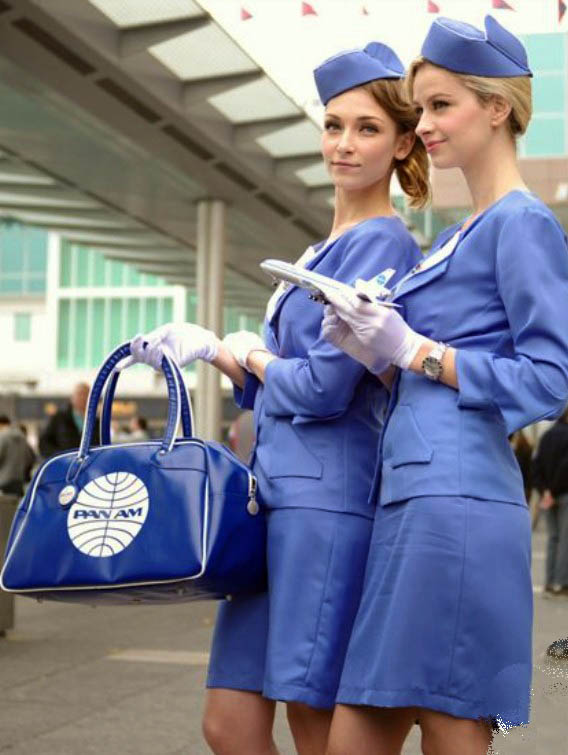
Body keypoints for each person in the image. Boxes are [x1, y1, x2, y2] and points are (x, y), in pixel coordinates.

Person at [122, 42, 429, 755]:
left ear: (402, 142)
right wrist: (215, 349)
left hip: (327, 507)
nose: (343, 144)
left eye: (366, 128)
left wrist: (246, 351)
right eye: (333, 125)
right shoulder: (322, 250)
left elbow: (324, 388)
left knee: (313, 721)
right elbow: (297, 377)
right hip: (272, 499)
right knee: (228, 723)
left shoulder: (385, 244)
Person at [320, 16, 568, 754]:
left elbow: (552, 375)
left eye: (439, 105)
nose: (421, 125)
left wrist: (418, 351)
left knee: (426, 729)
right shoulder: (466, 230)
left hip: (454, 504)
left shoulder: (522, 223)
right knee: (409, 728)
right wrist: (373, 346)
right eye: (420, 107)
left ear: (497, 108)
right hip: (420, 498)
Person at [532, 407, 568, 596]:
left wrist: (544, 491)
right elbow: (565, 467)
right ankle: (561, 584)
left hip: (547, 495)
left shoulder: (546, 437)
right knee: (565, 539)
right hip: (563, 494)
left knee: (553, 538)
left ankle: (549, 580)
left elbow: (536, 466)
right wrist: (554, 492)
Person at [39, 382, 99, 459]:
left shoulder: (96, 422)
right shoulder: (59, 418)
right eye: (80, 394)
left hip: (88, 465)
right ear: (72, 398)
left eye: (86, 395)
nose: (83, 398)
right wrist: (58, 457)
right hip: (64, 465)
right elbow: (44, 443)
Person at [0, 415, 36, 497]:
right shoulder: (22, 437)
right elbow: (30, 458)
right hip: (19, 480)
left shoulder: (2, 436)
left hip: (3, 479)